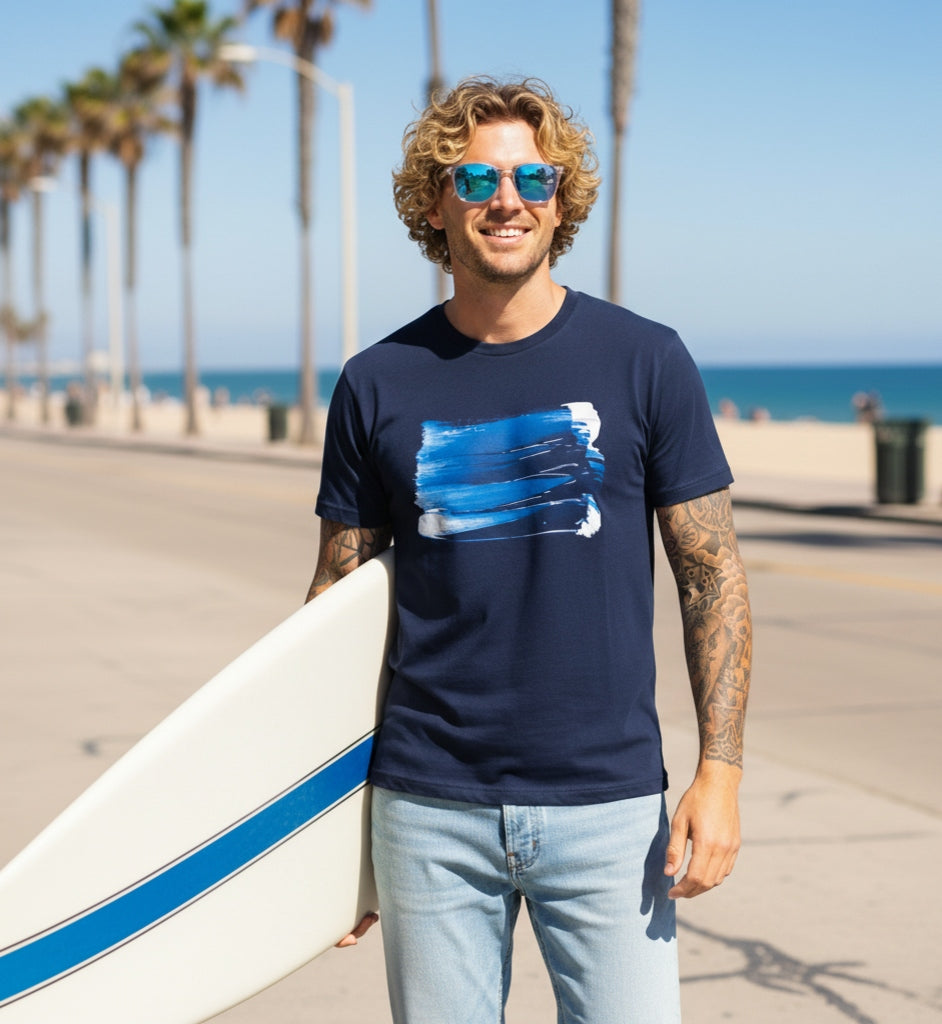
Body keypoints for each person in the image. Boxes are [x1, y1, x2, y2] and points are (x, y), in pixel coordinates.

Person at [308, 76, 752, 1024]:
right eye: (474, 179)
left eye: (531, 178)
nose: (506, 200)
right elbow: (333, 608)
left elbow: (711, 573)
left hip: (609, 811)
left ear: (561, 197)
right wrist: (323, 833)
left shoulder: (647, 361)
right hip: (427, 809)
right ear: (436, 203)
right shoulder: (376, 382)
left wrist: (720, 772)